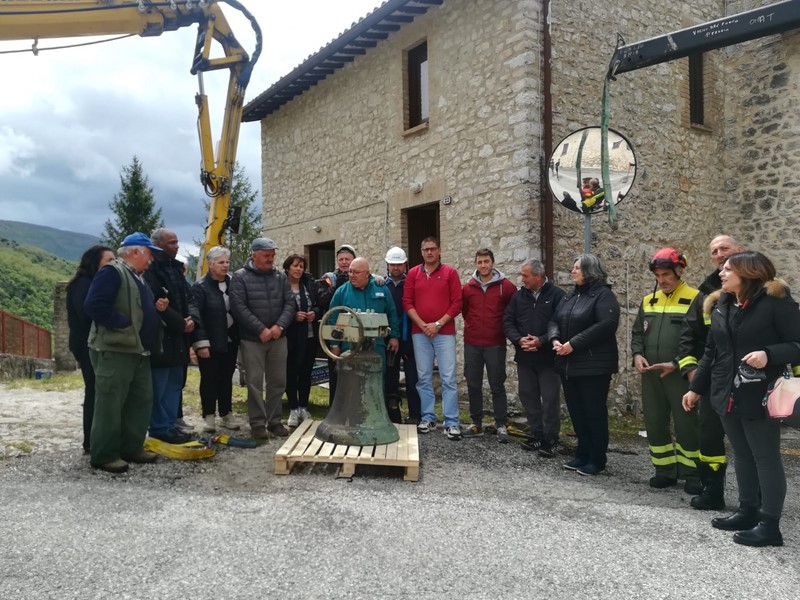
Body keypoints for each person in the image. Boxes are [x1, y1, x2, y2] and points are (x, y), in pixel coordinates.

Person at [682, 251, 800, 547]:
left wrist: (769, 354)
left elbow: (797, 344)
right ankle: (748, 511)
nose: (721, 274)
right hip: (725, 392)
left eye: (727, 269)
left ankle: (770, 525)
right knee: (742, 455)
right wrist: (696, 388)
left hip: (760, 392)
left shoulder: (776, 303)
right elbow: (711, 352)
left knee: (766, 457)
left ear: (748, 272)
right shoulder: (722, 304)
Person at [83, 232, 161, 473]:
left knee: (140, 401)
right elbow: (94, 305)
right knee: (110, 403)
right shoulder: (112, 272)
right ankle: (104, 455)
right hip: (114, 350)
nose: (151, 259)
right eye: (149, 253)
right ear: (136, 251)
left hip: (138, 351)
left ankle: (131, 448)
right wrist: (123, 324)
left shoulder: (138, 277)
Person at [678, 234, 744, 510]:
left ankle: (755, 502)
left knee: (749, 443)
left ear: (739, 250)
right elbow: (689, 339)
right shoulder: (704, 294)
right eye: (714, 251)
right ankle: (713, 492)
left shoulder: (765, 290)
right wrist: (692, 374)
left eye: (724, 248)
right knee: (709, 439)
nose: (719, 254)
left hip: (750, 381)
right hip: (714, 382)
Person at [631, 248, 701, 493]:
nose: (661, 280)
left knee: (687, 424)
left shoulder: (696, 298)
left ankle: (692, 474)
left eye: (666, 275)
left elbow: (701, 340)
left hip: (679, 374)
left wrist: (678, 363)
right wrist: (637, 354)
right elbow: (637, 332)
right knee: (654, 422)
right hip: (651, 374)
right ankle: (664, 470)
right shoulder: (648, 300)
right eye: (658, 276)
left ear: (680, 271)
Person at [548, 253, 620, 475]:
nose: (573, 271)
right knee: (577, 412)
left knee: (593, 413)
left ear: (590, 271)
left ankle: (597, 458)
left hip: (593, 367)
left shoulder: (604, 295)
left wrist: (573, 344)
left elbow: (606, 324)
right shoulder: (570, 296)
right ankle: (582, 453)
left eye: (577, 268)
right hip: (568, 365)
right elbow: (554, 320)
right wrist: (555, 339)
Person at [230, 237, 295, 439]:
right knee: (255, 382)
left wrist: (279, 326)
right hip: (252, 340)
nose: (270, 259)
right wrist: (260, 329)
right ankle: (258, 423)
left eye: (272, 255)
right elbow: (238, 307)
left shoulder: (280, 277)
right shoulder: (240, 277)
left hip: (278, 338)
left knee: (278, 381)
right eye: (266, 255)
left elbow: (290, 303)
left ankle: (275, 421)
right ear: (254, 255)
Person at [503, 259, 565, 457]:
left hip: (548, 359)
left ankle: (551, 439)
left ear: (538, 276)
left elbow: (561, 324)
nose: (522, 279)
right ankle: (536, 435)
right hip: (525, 358)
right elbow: (508, 321)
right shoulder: (518, 297)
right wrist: (518, 339)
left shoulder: (557, 296)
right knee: (528, 397)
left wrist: (541, 341)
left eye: (525, 276)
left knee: (550, 399)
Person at [402, 237, 463, 440]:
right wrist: (423, 325)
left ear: (439, 251)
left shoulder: (450, 273)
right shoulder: (413, 274)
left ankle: (451, 422)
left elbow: (457, 303)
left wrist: (437, 324)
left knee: (448, 377)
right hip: (420, 333)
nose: (429, 252)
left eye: (433, 249)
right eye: (426, 249)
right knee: (424, 377)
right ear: (421, 252)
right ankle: (428, 417)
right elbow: (407, 302)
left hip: (444, 333)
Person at [143, 228, 195, 444]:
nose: (176, 246)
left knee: (175, 383)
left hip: (180, 336)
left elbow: (187, 297)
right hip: (162, 337)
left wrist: (191, 320)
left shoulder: (175, 268)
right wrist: (181, 324)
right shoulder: (150, 271)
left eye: (176, 242)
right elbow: (158, 304)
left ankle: (171, 423)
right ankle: (159, 427)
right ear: (157, 245)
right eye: (171, 243)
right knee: (160, 386)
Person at [461, 249, 517, 442]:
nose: (483, 265)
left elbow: (512, 311)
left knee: (497, 385)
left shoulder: (506, 287)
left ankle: (500, 424)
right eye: (480, 262)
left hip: (495, 344)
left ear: (492, 262)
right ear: (476, 264)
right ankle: (476, 423)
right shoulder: (468, 288)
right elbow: (465, 312)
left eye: (486, 261)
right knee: (473, 384)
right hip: (472, 343)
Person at [66, 244, 115, 453]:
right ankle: (91, 441)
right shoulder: (83, 284)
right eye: (109, 260)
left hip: (91, 344)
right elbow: (87, 314)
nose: (113, 264)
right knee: (94, 391)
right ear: (94, 262)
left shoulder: (92, 282)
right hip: (87, 345)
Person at [190, 246, 240, 433]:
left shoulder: (234, 283)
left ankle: (226, 414)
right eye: (221, 262)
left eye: (227, 262)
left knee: (226, 378)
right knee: (209, 379)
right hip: (209, 342)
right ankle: (209, 416)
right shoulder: (200, 287)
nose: (225, 265)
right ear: (210, 264)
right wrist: (201, 343)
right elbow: (196, 316)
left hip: (230, 340)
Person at [328, 257, 399, 372]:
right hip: (349, 344)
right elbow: (332, 318)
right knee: (351, 378)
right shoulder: (341, 292)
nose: (352, 275)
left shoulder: (382, 289)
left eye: (356, 272)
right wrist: (334, 345)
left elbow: (392, 313)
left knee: (377, 377)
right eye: (350, 272)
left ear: (367, 274)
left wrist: (394, 337)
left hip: (377, 344)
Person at [384, 246, 421, 424]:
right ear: (387, 265)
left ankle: (415, 415)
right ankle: (393, 415)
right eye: (392, 264)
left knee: (413, 379)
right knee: (390, 379)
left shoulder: (412, 285)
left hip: (410, 340)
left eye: (399, 264)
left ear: (405, 265)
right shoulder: (382, 286)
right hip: (389, 340)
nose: (396, 267)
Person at [283, 253, 320, 427]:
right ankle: (293, 408)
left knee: (306, 372)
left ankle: (304, 407)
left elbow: (318, 304)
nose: (298, 269)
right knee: (291, 372)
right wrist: (293, 316)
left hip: (309, 335)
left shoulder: (308, 284)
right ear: (287, 267)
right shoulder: (281, 285)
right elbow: (277, 308)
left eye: (301, 266)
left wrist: (315, 313)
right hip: (290, 336)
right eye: (295, 266)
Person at [317, 244, 357, 404]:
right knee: (335, 369)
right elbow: (322, 301)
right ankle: (335, 406)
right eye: (341, 259)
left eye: (348, 259)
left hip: (354, 328)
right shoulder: (329, 278)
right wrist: (335, 287)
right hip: (333, 328)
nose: (344, 262)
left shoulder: (360, 276)